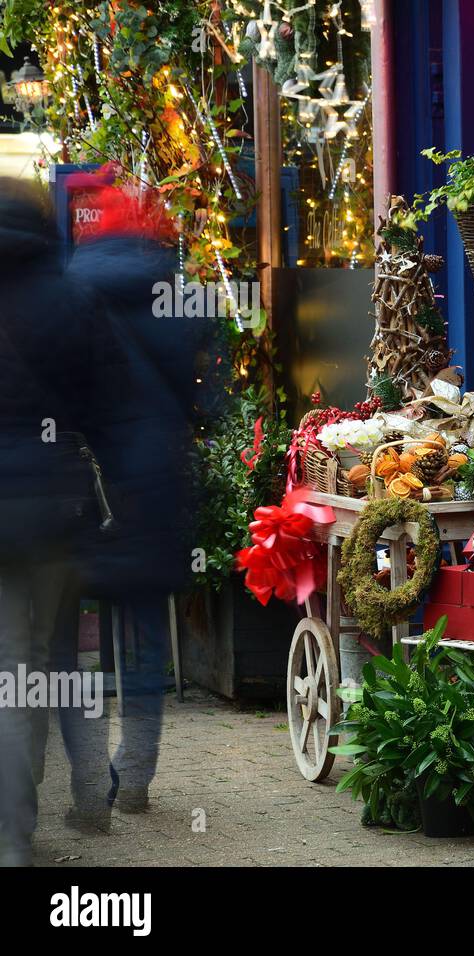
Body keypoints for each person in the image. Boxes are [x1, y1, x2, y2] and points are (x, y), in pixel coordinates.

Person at [65, 175, 205, 817]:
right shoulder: (172, 289)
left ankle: (87, 777)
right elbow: (201, 385)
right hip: (156, 475)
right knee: (144, 623)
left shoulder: (74, 287)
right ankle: (137, 769)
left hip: (88, 477)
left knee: (62, 633)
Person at [0, 178, 110, 865]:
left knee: (9, 661)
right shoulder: (71, 298)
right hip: (56, 508)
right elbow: (103, 405)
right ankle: (21, 808)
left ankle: (13, 827)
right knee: (37, 661)